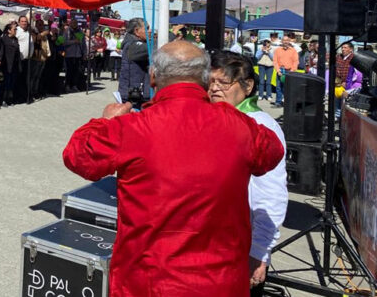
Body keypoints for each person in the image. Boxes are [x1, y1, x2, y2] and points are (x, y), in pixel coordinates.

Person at [63, 41, 285, 297]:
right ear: (205, 79)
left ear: (153, 77)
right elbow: (272, 152)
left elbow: (77, 156)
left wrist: (105, 121)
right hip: (219, 281)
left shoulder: (131, 128)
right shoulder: (240, 126)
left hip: (148, 282)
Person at [209, 51, 289, 295]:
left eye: (223, 82)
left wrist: (259, 251)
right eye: (210, 81)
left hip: (240, 245)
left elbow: (271, 194)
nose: (214, 88)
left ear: (248, 86)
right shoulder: (208, 118)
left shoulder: (261, 126)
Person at [118, 18, 150, 105]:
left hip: (138, 94)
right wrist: (171, 35)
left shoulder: (137, 43)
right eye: (147, 28)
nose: (150, 31)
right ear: (136, 31)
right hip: (134, 96)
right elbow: (153, 47)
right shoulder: (132, 45)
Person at [272, 33, 299, 107]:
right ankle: (278, 102)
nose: (285, 42)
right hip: (280, 70)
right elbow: (275, 61)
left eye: (287, 40)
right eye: (284, 40)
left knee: (288, 88)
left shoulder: (293, 51)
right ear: (282, 41)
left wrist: (292, 71)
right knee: (278, 87)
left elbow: (296, 61)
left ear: (289, 41)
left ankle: (288, 102)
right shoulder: (277, 50)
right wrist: (278, 70)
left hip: (289, 71)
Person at [30, 19, 51, 100]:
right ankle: (31, 92)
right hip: (36, 57)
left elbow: (47, 45)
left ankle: (36, 91)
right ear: (36, 25)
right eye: (39, 25)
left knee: (39, 76)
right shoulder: (34, 32)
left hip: (43, 58)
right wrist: (41, 34)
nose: (41, 26)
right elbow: (35, 39)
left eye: (42, 25)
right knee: (33, 76)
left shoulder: (44, 34)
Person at [0, 22, 20, 106]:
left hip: (14, 65)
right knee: (6, 82)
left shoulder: (15, 39)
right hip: (6, 64)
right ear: (9, 30)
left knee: (12, 83)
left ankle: (9, 98)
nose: (16, 31)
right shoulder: (4, 39)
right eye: (14, 29)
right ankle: (3, 99)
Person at [62, 18, 85, 92]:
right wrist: (73, 41)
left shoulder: (80, 31)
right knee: (69, 71)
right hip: (69, 54)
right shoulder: (67, 31)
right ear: (70, 23)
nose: (74, 24)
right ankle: (67, 85)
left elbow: (83, 44)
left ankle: (74, 85)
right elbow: (63, 42)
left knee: (76, 71)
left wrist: (84, 53)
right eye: (73, 23)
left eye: (76, 23)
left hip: (78, 54)